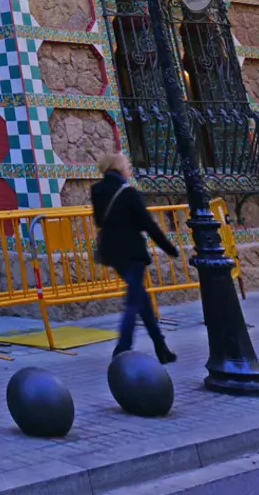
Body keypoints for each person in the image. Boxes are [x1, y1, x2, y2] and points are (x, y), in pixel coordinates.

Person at [91, 152, 178, 363]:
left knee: (141, 300)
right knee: (133, 300)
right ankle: (123, 347)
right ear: (121, 168)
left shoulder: (97, 191)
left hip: (113, 253)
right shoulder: (128, 193)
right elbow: (148, 224)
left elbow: (99, 222)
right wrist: (169, 248)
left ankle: (161, 347)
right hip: (132, 252)